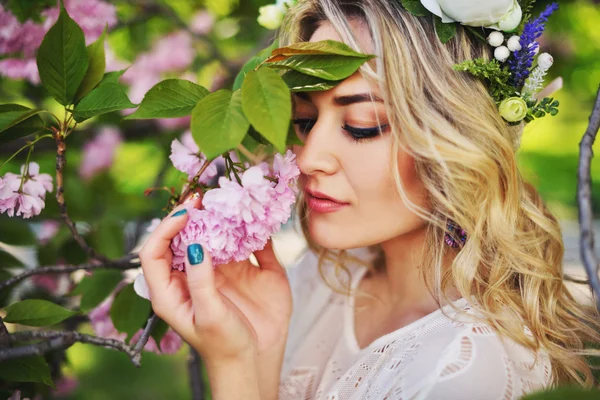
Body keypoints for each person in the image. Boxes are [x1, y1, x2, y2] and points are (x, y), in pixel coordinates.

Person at [139, 0, 600, 399]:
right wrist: (247, 352)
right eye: (303, 120)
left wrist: (230, 370)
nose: (309, 158)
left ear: (453, 136)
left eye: (362, 125)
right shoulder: (317, 281)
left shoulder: (463, 376)